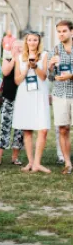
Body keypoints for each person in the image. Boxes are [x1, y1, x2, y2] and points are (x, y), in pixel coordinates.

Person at [12, 32, 50, 173]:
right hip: (25, 93)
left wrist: (35, 67)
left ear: (38, 42)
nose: (32, 42)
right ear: (26, 42)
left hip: (40, 93)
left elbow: (44, 76)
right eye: (30, 40)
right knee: (27, 129)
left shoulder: (45, 55)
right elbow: (17, 80)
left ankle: (38, 163)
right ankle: (31, 162)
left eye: (35, 40)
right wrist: (27, 67)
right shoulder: (20, 57)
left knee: (43, 129)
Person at [0, 40, 24, 166]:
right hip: (8, 97)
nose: (18, 49)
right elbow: (5, 72)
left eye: (20, 47)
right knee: (4, 126)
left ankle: (15, 157)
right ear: (11, 48)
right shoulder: (8, 58)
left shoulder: (26, 60)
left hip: (22, 98)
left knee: (19, 129)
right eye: (15, 47)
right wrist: (14, 59)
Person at [48, 20, 73, 174]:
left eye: (64, 31)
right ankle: (68, 163)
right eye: (59, 31)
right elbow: (50, 77)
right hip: (59, 94)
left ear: (71, 32)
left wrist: (71, 76)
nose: (61, 34)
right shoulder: (55, 51)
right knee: (63, 129)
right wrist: (50, 68)